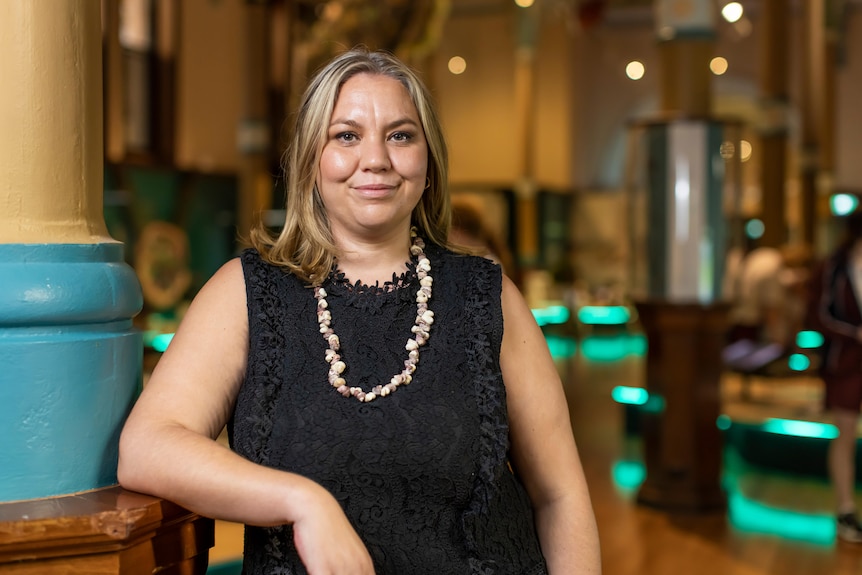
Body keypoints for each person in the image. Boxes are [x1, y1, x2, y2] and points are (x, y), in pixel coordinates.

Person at [118, 47, 601, 574]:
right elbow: (146, 447)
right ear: (310, 161)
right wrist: (303, 503)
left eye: (400, 135)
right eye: (346, 135)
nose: (376, 158)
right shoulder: (246, 293)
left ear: (428, 160)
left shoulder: (487, 295)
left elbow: (561, 497)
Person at [807, 211, 862, 543]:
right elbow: (818, 314)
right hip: (847, 361)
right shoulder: (834, 266)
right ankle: (845, 509)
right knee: (844, 433)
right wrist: (854, 334)